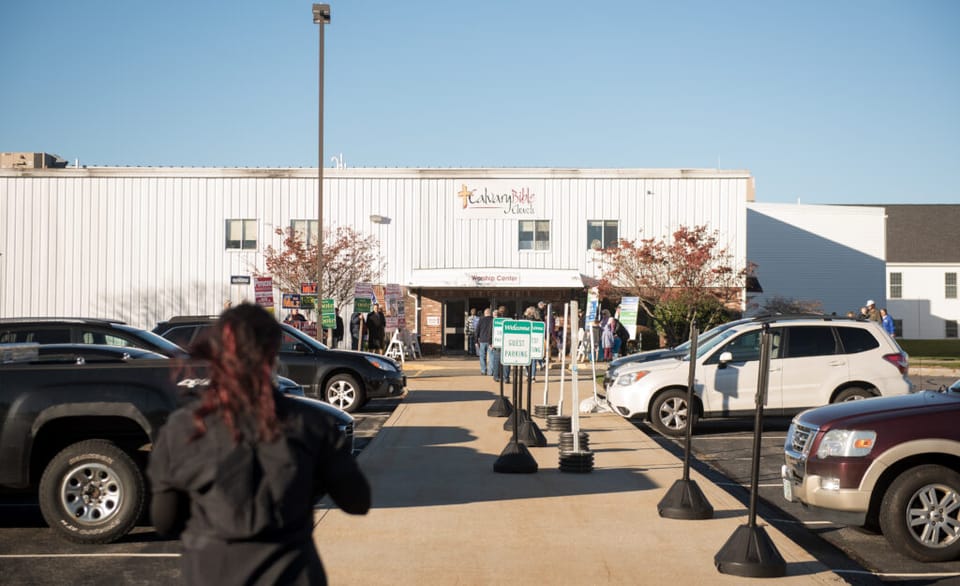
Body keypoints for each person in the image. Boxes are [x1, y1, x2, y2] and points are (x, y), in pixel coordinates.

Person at [147, 303, 370, 585]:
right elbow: (357, 501)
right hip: (292, 573)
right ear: (274, 353)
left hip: (211, 571)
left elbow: (165, 520)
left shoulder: (184, 427)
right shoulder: (311, 424)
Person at [476, 307, 493, 376]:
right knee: (491, 356)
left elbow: (477, 330)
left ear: (485, 313)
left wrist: (476, 340)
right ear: (490, 313)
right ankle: (490, 372)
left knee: (482, 356)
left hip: (482, 340)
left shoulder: (481, 319)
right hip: (491, 341)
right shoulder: (493, 319)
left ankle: (483, 370)